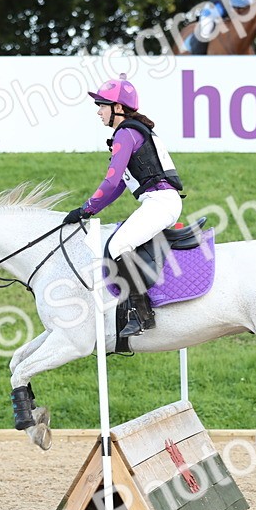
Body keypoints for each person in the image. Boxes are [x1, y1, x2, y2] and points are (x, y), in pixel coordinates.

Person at [62, 74, 184, 338]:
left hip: (160, 202)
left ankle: (142, 315)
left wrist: (86, 208)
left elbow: (111, 180)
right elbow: (118, 186)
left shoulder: (125, 133)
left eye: (102, 106)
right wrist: (89, 209)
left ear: (118, 108)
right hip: (159, 201)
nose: (98, 112)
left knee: (117, 246)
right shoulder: (131, 131)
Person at [186, 0, 255, 55]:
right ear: (234, 6)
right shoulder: (222, 6)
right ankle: (197, 53)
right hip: (210, 14)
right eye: (239, 9)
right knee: (206, 31)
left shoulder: (243, 0)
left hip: (224, 12)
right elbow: (219, 19)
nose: (240, 11)